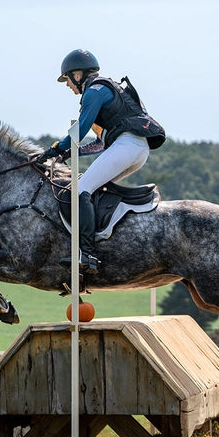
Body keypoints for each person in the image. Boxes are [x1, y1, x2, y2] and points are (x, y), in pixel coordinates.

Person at [39, 49, 165, 274]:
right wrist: (72, 153)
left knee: (80, 189)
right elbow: (100, 144)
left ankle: (86, 253)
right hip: (136, 150)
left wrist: (56, 149)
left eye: (67, 79)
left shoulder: (93, 92)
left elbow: (81, 128)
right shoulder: (106, 89)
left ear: (78, 75)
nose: (68, 86)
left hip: (127, 146)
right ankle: (106, 239)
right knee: (93, 189)